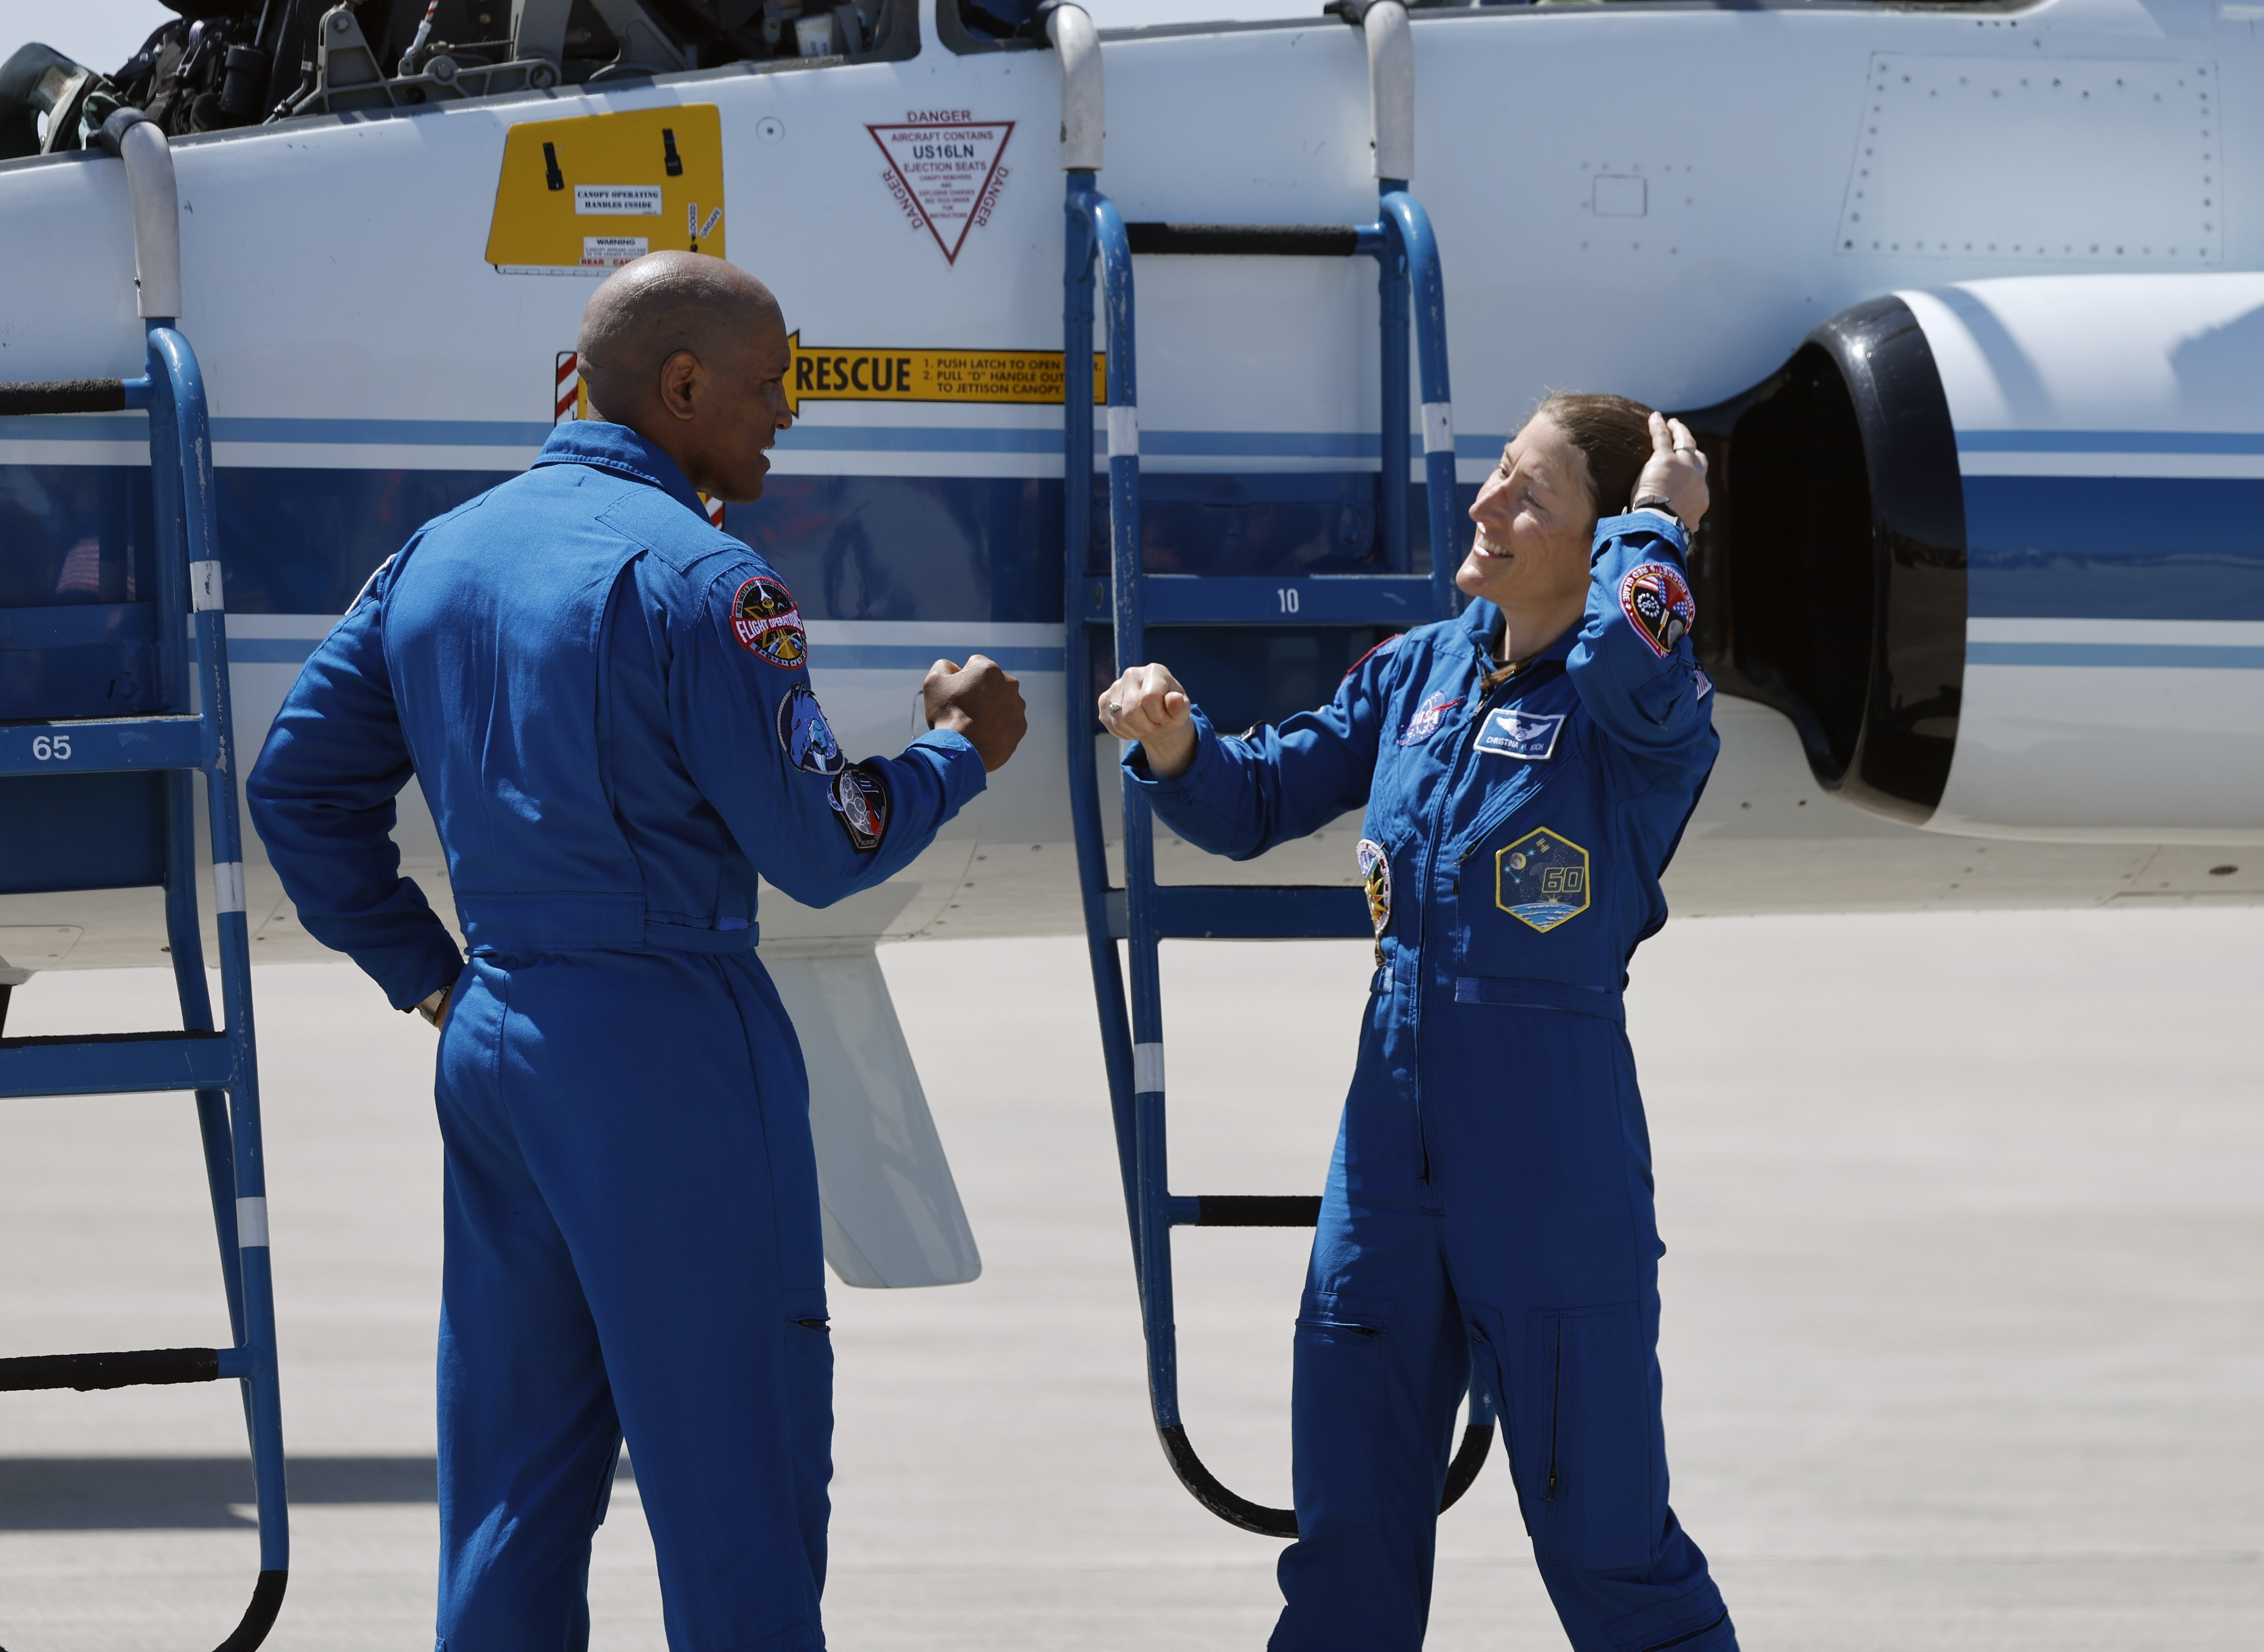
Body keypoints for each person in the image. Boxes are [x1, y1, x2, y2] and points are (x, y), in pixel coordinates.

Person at [246, 252, 1026, 1652]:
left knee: (512, 1495)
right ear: (680, 387)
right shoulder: (707, 579)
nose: (785, 414)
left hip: (497, 1040)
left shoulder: (439, 554)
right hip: (671, 1050)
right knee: (737, 1491)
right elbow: (823, 844)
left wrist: (431, 974)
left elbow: (297, 787)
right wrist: (957, 752)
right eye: (770, 382)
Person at [1097, 396, 1731, 1652]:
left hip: (1551, 1167)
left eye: (1532, 496)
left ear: (1602, 542)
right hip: (1388, 1162)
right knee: (1346, 1555)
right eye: (1499, 471)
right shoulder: (1421, 670)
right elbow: (1261, 795)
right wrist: (1176, 746)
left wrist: (1660, 521)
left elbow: (1625, 654)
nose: (1486, 505)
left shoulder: (1644, 713)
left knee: (1610, 1548)